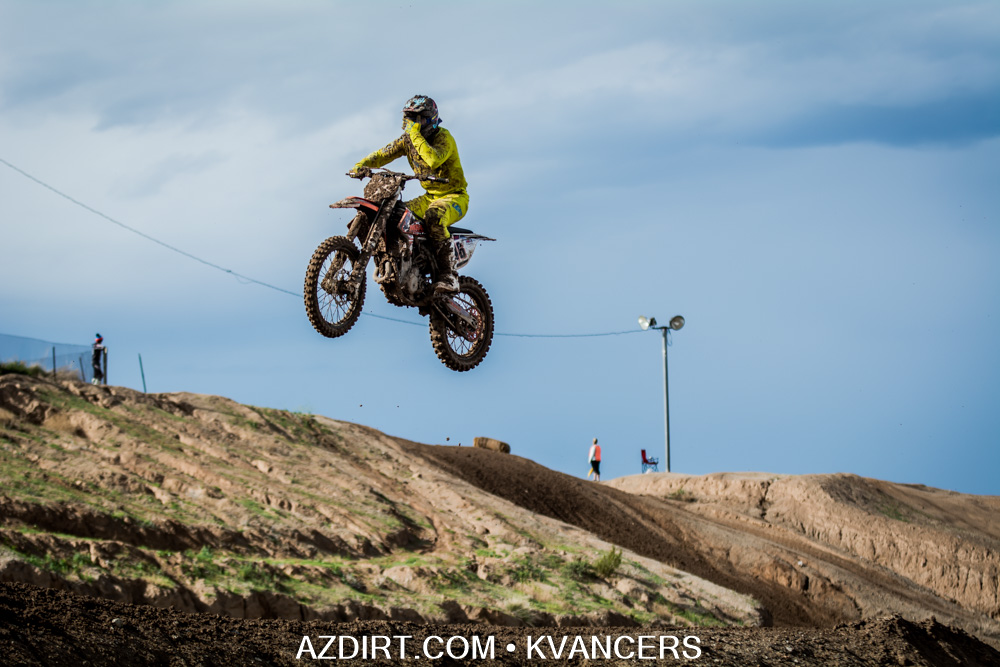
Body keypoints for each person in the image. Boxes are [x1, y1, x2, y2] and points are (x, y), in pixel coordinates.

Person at [351, 95, 469, 294]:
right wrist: (361, 165)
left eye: (417, 118)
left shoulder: (444, 138)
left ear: (430, 118)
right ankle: (404, 261)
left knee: (434, 216)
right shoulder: (409, 140)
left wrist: (414, 134)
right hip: (429, 197)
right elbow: (383, 154)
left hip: (454, 196)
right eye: (410, 118)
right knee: (395, 214)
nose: (413, 123)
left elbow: (432, 160)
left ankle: (449, 276)